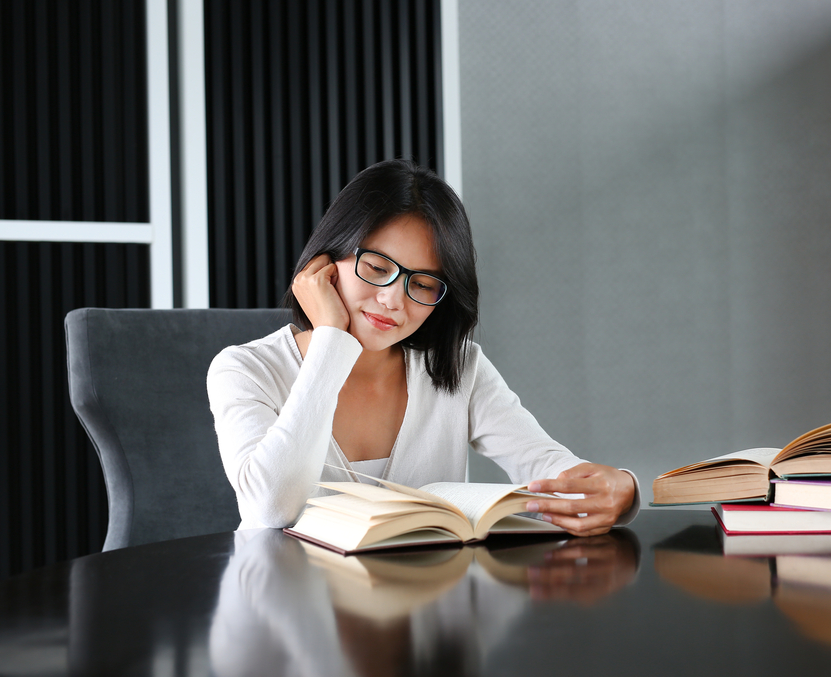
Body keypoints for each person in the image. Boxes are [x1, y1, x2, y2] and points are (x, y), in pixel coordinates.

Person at [207, 159, 638, 537]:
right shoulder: (244, 369)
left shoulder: (458, 366)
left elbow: (548, 468)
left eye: (424, 283)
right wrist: (331, 342)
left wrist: (621, 488)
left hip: (420, 616)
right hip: (282, 617)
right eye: (376, 267)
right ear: (325, 262)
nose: (393, 299)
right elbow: (271, 508)